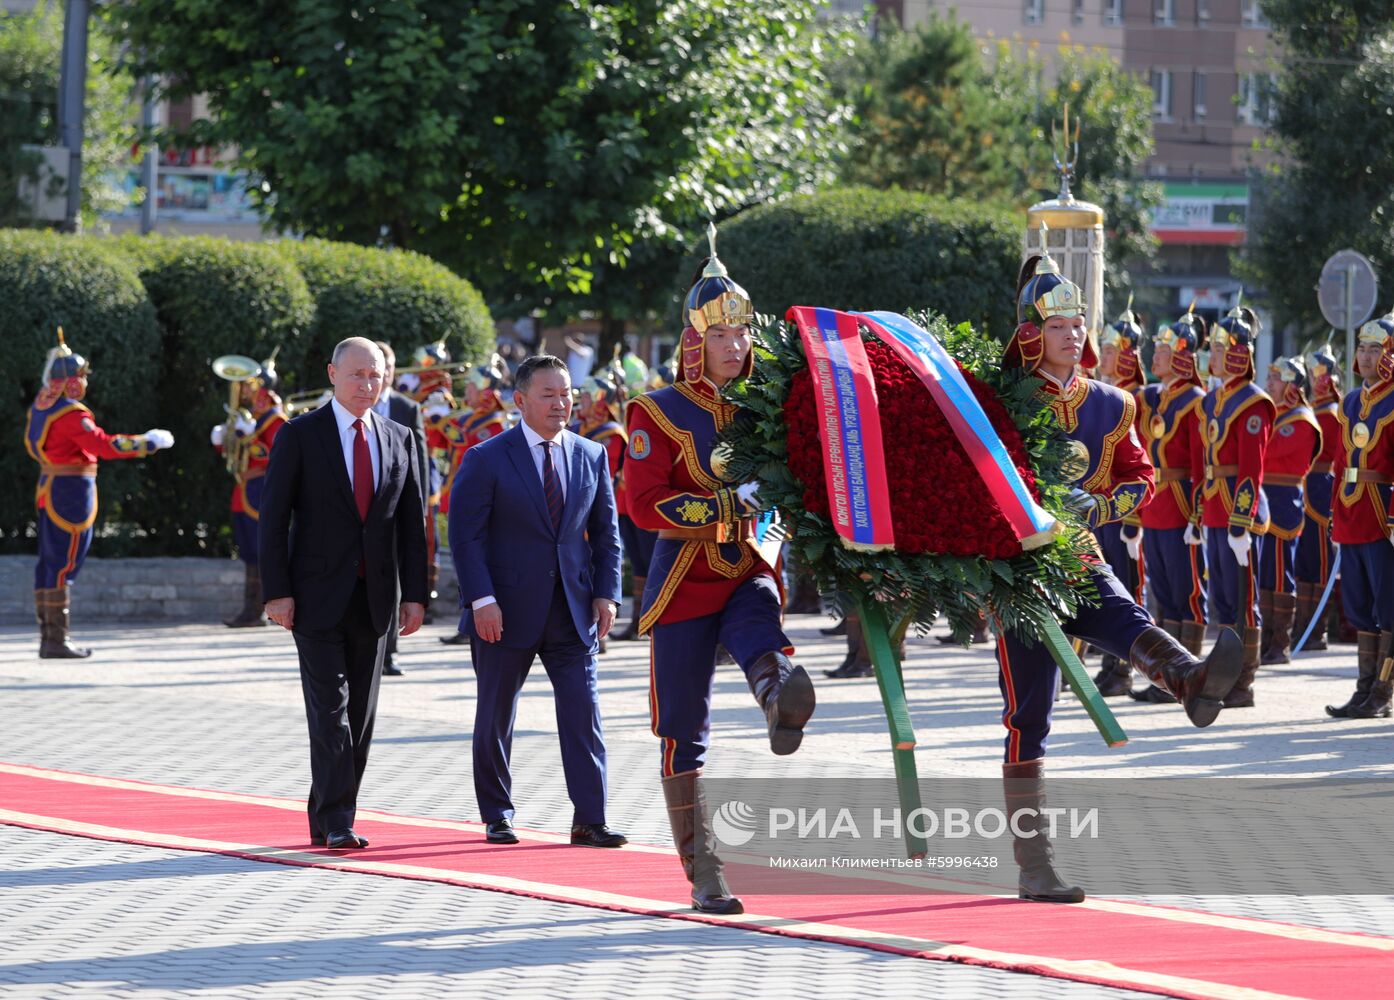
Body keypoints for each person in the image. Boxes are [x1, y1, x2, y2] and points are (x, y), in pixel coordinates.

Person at [995, 241, 1243, 903]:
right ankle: (1034, 864)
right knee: (1029, 713)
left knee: (1125, 614)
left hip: (1078, 551)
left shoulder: (1111, 403)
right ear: (1030, 334)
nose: (1073, 336)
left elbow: (1143, 480)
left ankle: (1190, 680)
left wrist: (1101, 502)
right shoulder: (997, 401)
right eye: (1057, 325)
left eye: (1078, 325)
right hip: (1016, 573)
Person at [625, 225, 816, 915]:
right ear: (694, 341)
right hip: (683, 581)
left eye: (742, 336)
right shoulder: (657, 409)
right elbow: (645, 503)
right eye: (722, 337)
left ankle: (778, 694)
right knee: (683, 726)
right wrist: (724, 507)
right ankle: (703, 867)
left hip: (748, 567)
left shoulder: (769, 410)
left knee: (761, 619)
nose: (736, 347)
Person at [448, 354, 627, 850]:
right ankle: (498, 813)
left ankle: (590, 819)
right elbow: (466, 538)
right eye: (548, 395)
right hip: (502, 613)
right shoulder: (486, 458)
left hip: (572, 612)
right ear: (520, 401)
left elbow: (607, 535)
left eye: (566, 393)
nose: (561, 403)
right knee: (496, 714)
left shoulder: (591, 455)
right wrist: (481, 599)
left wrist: (607, 593)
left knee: (583, 713)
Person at [258, 337, 428, 851]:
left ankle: (329, 813)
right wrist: (277, 592)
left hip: (375, 596)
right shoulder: (300, 435)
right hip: (314, 596)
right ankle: (337, 818)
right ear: (332, 374)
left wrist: (416, 594)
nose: (367, 385)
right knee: (329, 708)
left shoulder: (400, 437)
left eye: (375, 376)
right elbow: (273, 519)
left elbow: (411, 524)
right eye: (356, 375)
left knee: (361, 715)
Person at [25, 328, 174, 658]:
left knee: (50, 564)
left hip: (50, 489)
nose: (83, 381)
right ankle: (56, 640)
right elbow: (103, 445)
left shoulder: (41, 406)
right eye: (79, 376)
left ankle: (50, 639)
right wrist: (146, 442)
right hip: (70, 494)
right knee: (64, 564)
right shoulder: (71, 414)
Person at [1129, 308, 1210, 703]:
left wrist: (1197, 514)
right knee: (1161, 592)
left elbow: (1199, 465)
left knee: (1185, 592)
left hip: (1179, 505)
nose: (1155, 356)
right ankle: (1167, 676)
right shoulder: (1155, 398)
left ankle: (1191, 671)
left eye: (1162, 350)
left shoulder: (1195, 400)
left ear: (1181, 355)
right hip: (1155, 505)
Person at [1198, 301, 1275, 707]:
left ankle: (1242, 683)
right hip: (1214, 509)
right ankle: (1225, 677)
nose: (1210, 356)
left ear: (1236, 352)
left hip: (1237, 512)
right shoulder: (1213, 400)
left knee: (1244, 602)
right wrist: (1200, 514)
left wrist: (1241, 520)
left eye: (1216, 348)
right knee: (1223, 602)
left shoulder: (1254, 402)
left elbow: (1251, 468)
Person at [1326, 312, 1394, 719]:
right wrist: (1335, 511)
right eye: (1362, 349)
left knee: (1388, 607)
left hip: (1381, 514)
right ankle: (1364, 688)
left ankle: (1382, 692)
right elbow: (1339, 461)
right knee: (1358, 606)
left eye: (1375, 349)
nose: (1366, 357)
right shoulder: (1350, 401)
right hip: (1351, 512)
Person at [1090, 302, 1147, 695]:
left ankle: (1123, 669)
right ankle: (1111, 665)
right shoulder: (1101, 394)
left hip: (1122, 507)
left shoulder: (1134, 398)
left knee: (1124, 588)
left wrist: (1133, 517)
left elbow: (1143, 460)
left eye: (1112, 349)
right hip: (1096, 505)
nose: (1105, 355)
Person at [439, 357, 511, 646]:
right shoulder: (469, 416)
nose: (466, 392)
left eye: (471, 386)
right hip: (459, 488)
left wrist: (440, 421)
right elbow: (438, 441)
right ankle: (466, 619)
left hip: (483, 498)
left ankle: (475, 618)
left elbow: (466, 442)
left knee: (475, 557)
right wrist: (436, 416)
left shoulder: (494, 422)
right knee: (462, 555)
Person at [212, 352, 287, 628]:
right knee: (249, 552)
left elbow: (277, 455)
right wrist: (224, 440)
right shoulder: (250, 417)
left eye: (248, 385)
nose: (243, 390)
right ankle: (251, 610)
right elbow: (233, 454)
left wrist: (247, 439)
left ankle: (259, 610)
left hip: (261, 489)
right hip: (245, 489)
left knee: (261, 551)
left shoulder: (274, 419)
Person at [1258, 357, 1321, 665]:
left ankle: (1280, 642)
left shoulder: (1301, 420)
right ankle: (1265, 637)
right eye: (1268, 378)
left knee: (1281, 573)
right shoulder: (1273, 414)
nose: (1269, 384)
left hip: (1283, 500)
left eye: (1275, 378)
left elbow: (1268, 453)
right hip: (1264, 496)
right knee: (1264, 571)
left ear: (1291, 385)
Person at [373, 341, 429, 676]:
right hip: (358, 506)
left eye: (392, 365)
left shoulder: (407, 408)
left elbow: (418, 459)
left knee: (392, 578)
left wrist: (417, 506)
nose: (389, 372)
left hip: (394, 507)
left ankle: (388, 651)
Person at [1295, 345, 1343, 650]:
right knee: (1306, 561)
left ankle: (1317, 630)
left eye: (1321, 373)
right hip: (1305, 486)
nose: (1317, 380)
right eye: (1314, 374)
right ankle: (1303, 627)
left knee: (1322, 561)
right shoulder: (1313, 408)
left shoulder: (1332, 412)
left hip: (1323, 486)